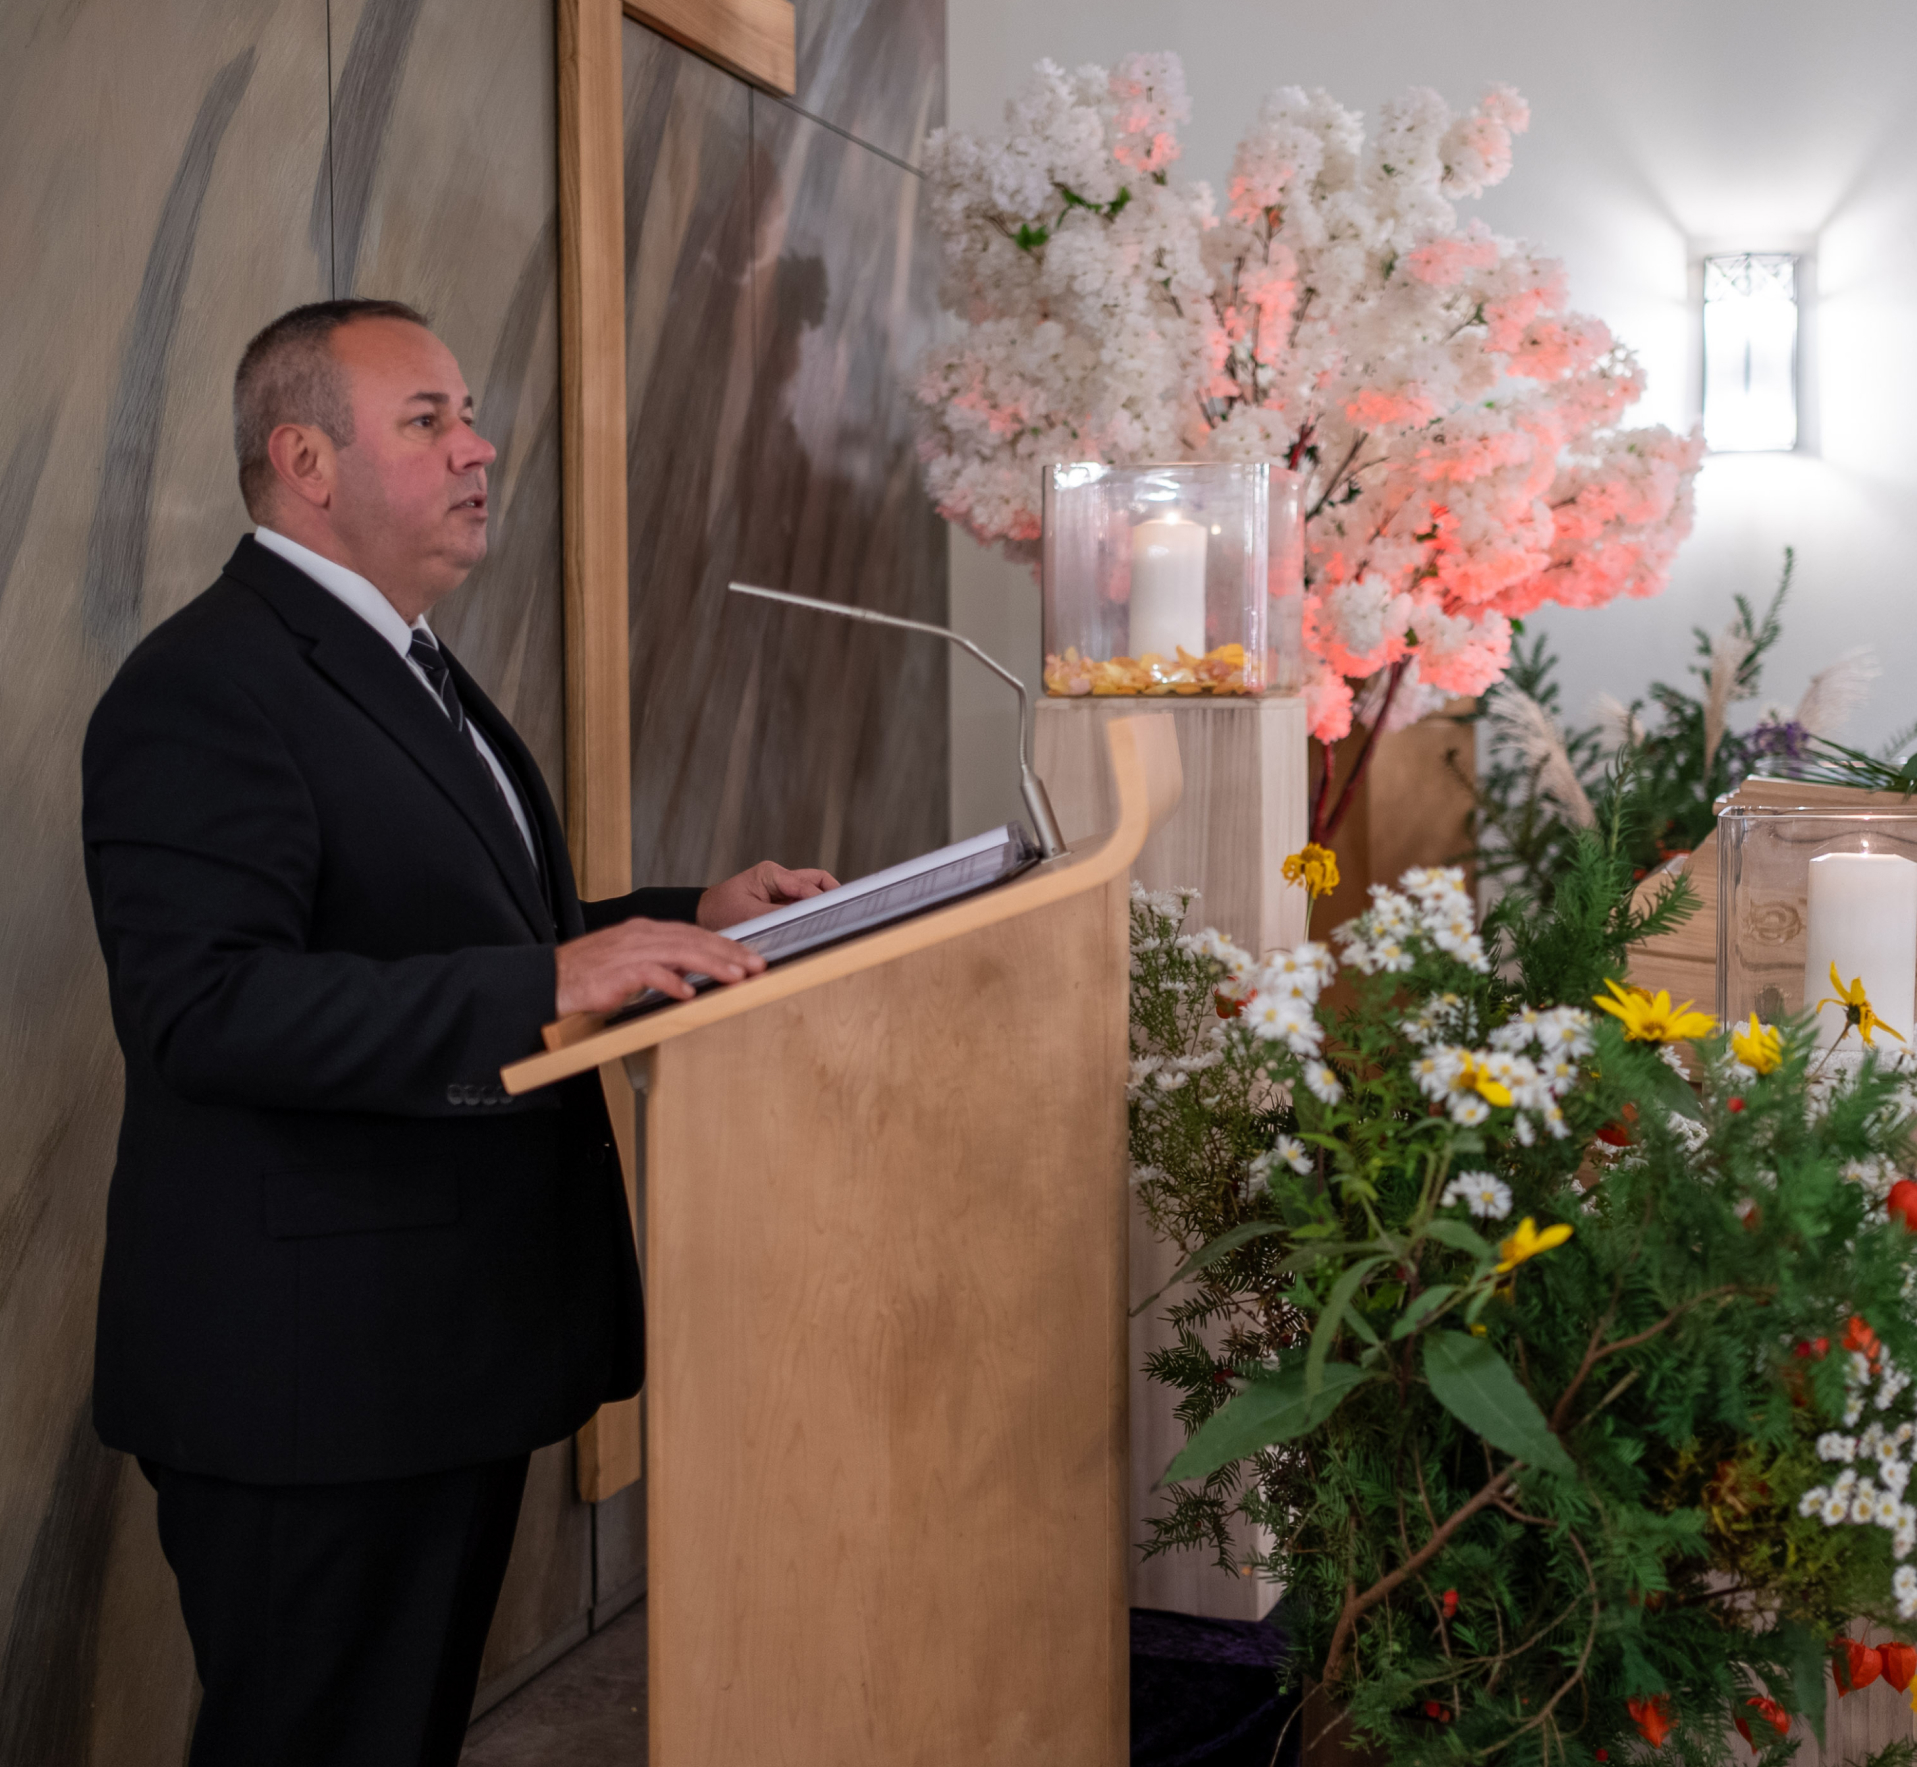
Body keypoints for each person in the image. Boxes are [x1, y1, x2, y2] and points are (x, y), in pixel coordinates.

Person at [80, 298, 836, 1767]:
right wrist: (553, 978)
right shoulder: (207, 684)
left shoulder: (402, 659)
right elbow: (206, 1009)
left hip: (429, 1356)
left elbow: (448, 935)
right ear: (304, 460)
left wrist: (684, 915)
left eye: (471, 415)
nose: (480, 449)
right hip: (313, 1380)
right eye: (427, 420)